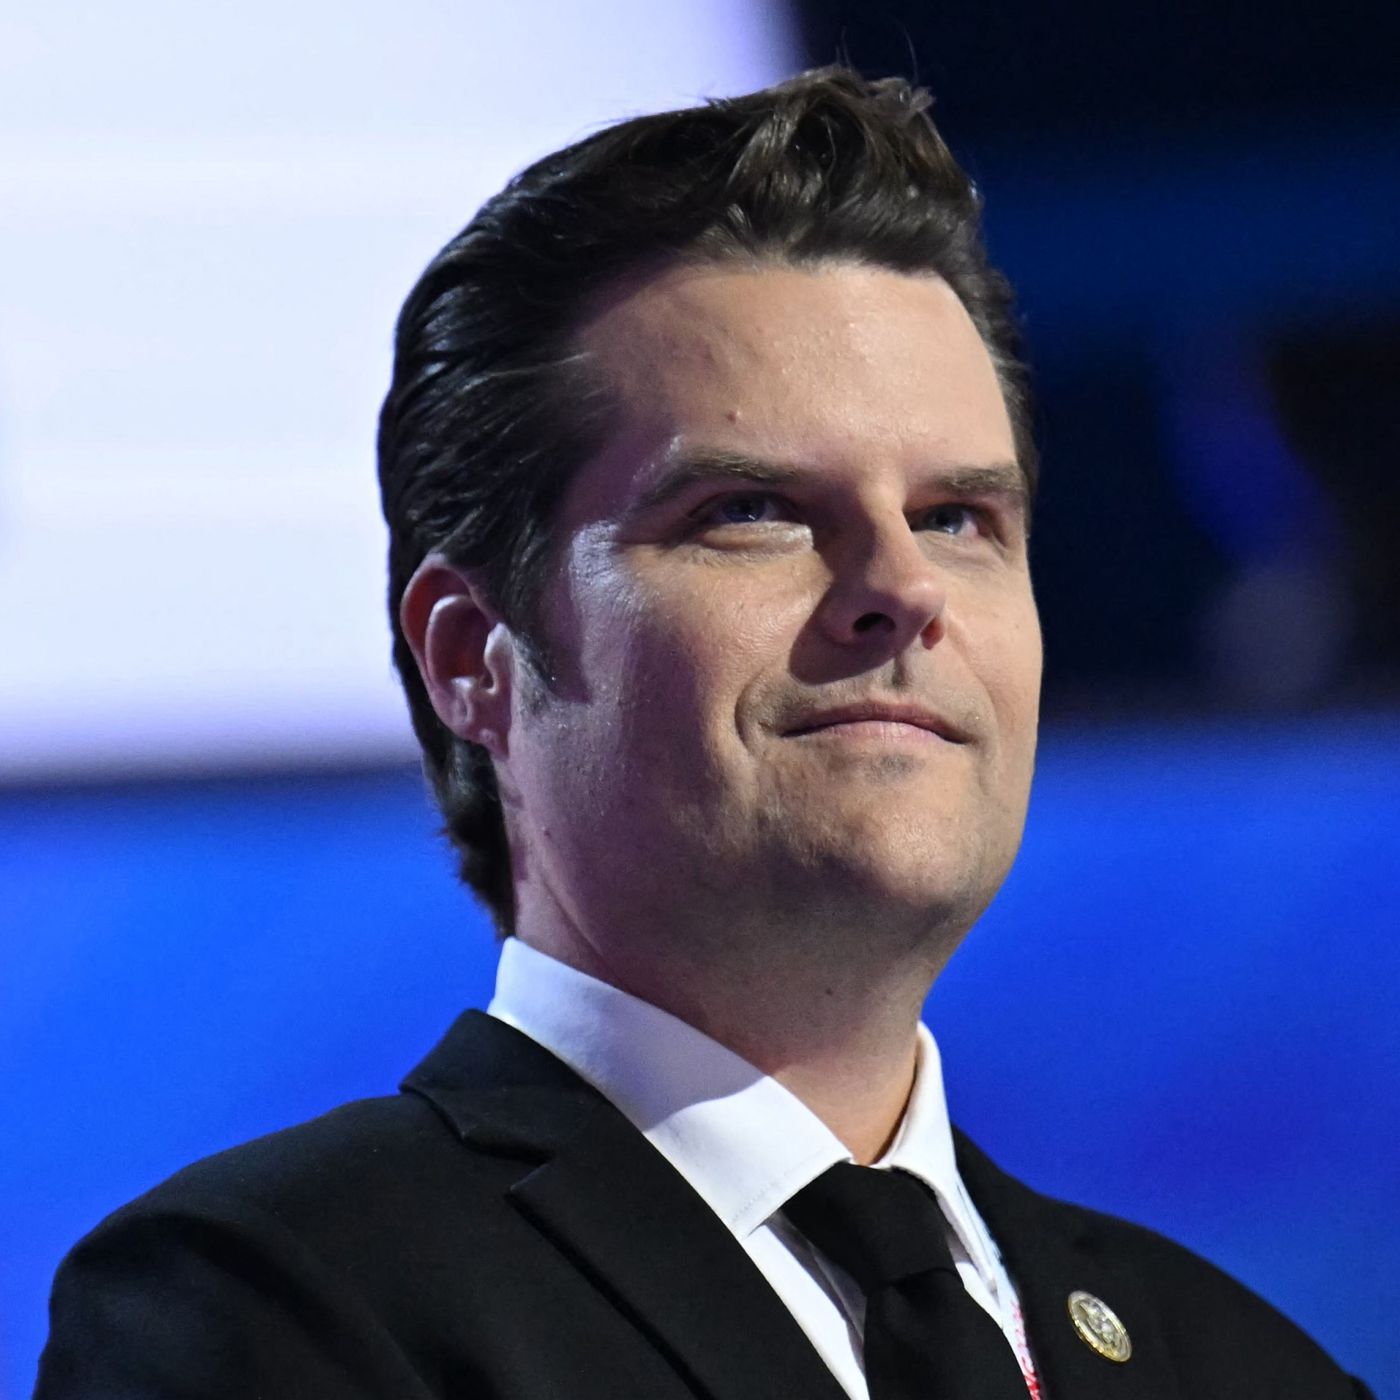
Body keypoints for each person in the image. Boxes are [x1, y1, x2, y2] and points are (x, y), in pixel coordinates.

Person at [35, 68, 1372, 1400]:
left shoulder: (1245, 1370)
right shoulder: (269, 1307)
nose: (903, 589)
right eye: (753, 512)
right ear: (471, 656)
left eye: (956, 518)